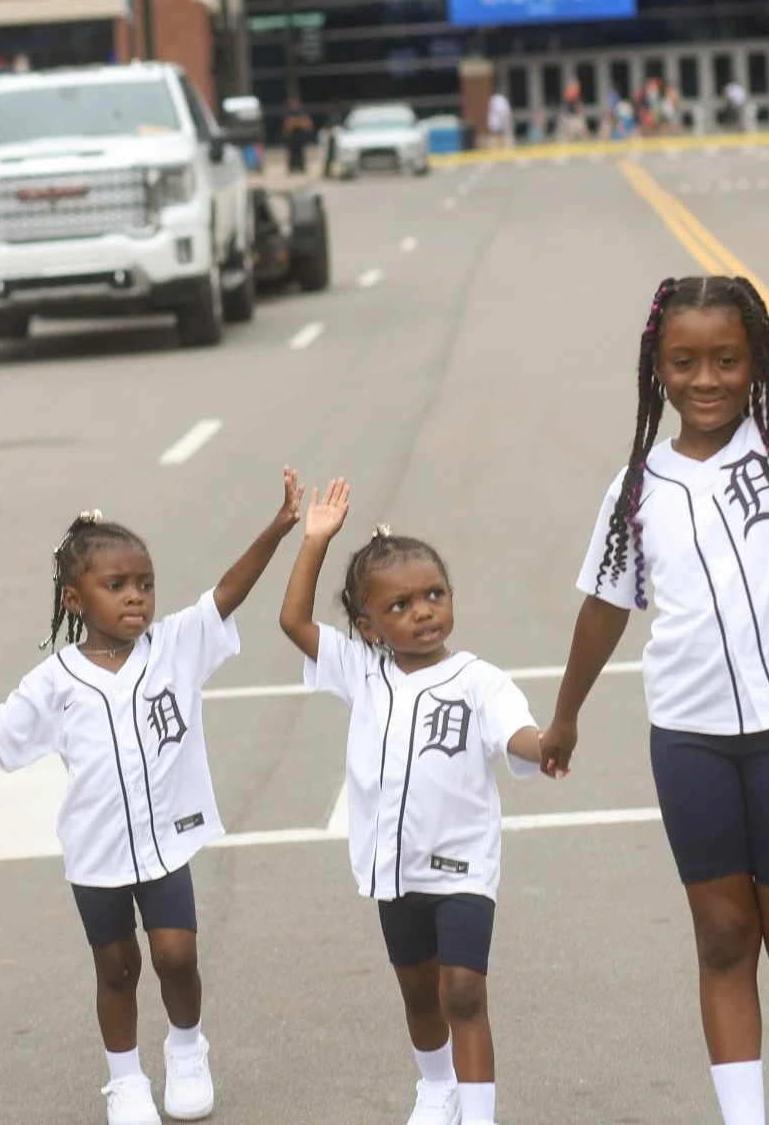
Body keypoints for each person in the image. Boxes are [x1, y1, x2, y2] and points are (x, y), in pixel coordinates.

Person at [540, 117, 769, 1125]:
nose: (703, 380)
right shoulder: (634, 489)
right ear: (658, 369)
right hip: (685, 736)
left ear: (752, 362)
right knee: (724, 935)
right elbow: (604, 605)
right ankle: (746, 1111)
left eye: (724, 360)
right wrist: (562, 717)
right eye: (683, 363)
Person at [0, 474, 304, 1125]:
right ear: (74, 597)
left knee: (177, 955)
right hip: (95, 852)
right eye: (115, 586)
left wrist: (277, 527)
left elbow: (226, 596)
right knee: (116, 966)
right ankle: (124, 1081)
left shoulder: (176, 647)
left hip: (167, 839)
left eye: (144, 584)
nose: (136, 598)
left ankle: (186, 1048)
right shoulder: (54, 682)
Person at [279, 482, 542, 1125]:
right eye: (400, 605)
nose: (423, 611)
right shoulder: (361, 671)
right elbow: (293, 622)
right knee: (419, 991)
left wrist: (546, 743)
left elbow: (519, 734)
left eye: (434, 594)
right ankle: (436, 1086)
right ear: (369, 627)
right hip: (392, 870)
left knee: (463, 991)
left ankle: (477, 1113)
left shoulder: (480, 680)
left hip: (463, 869)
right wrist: (314, 541)